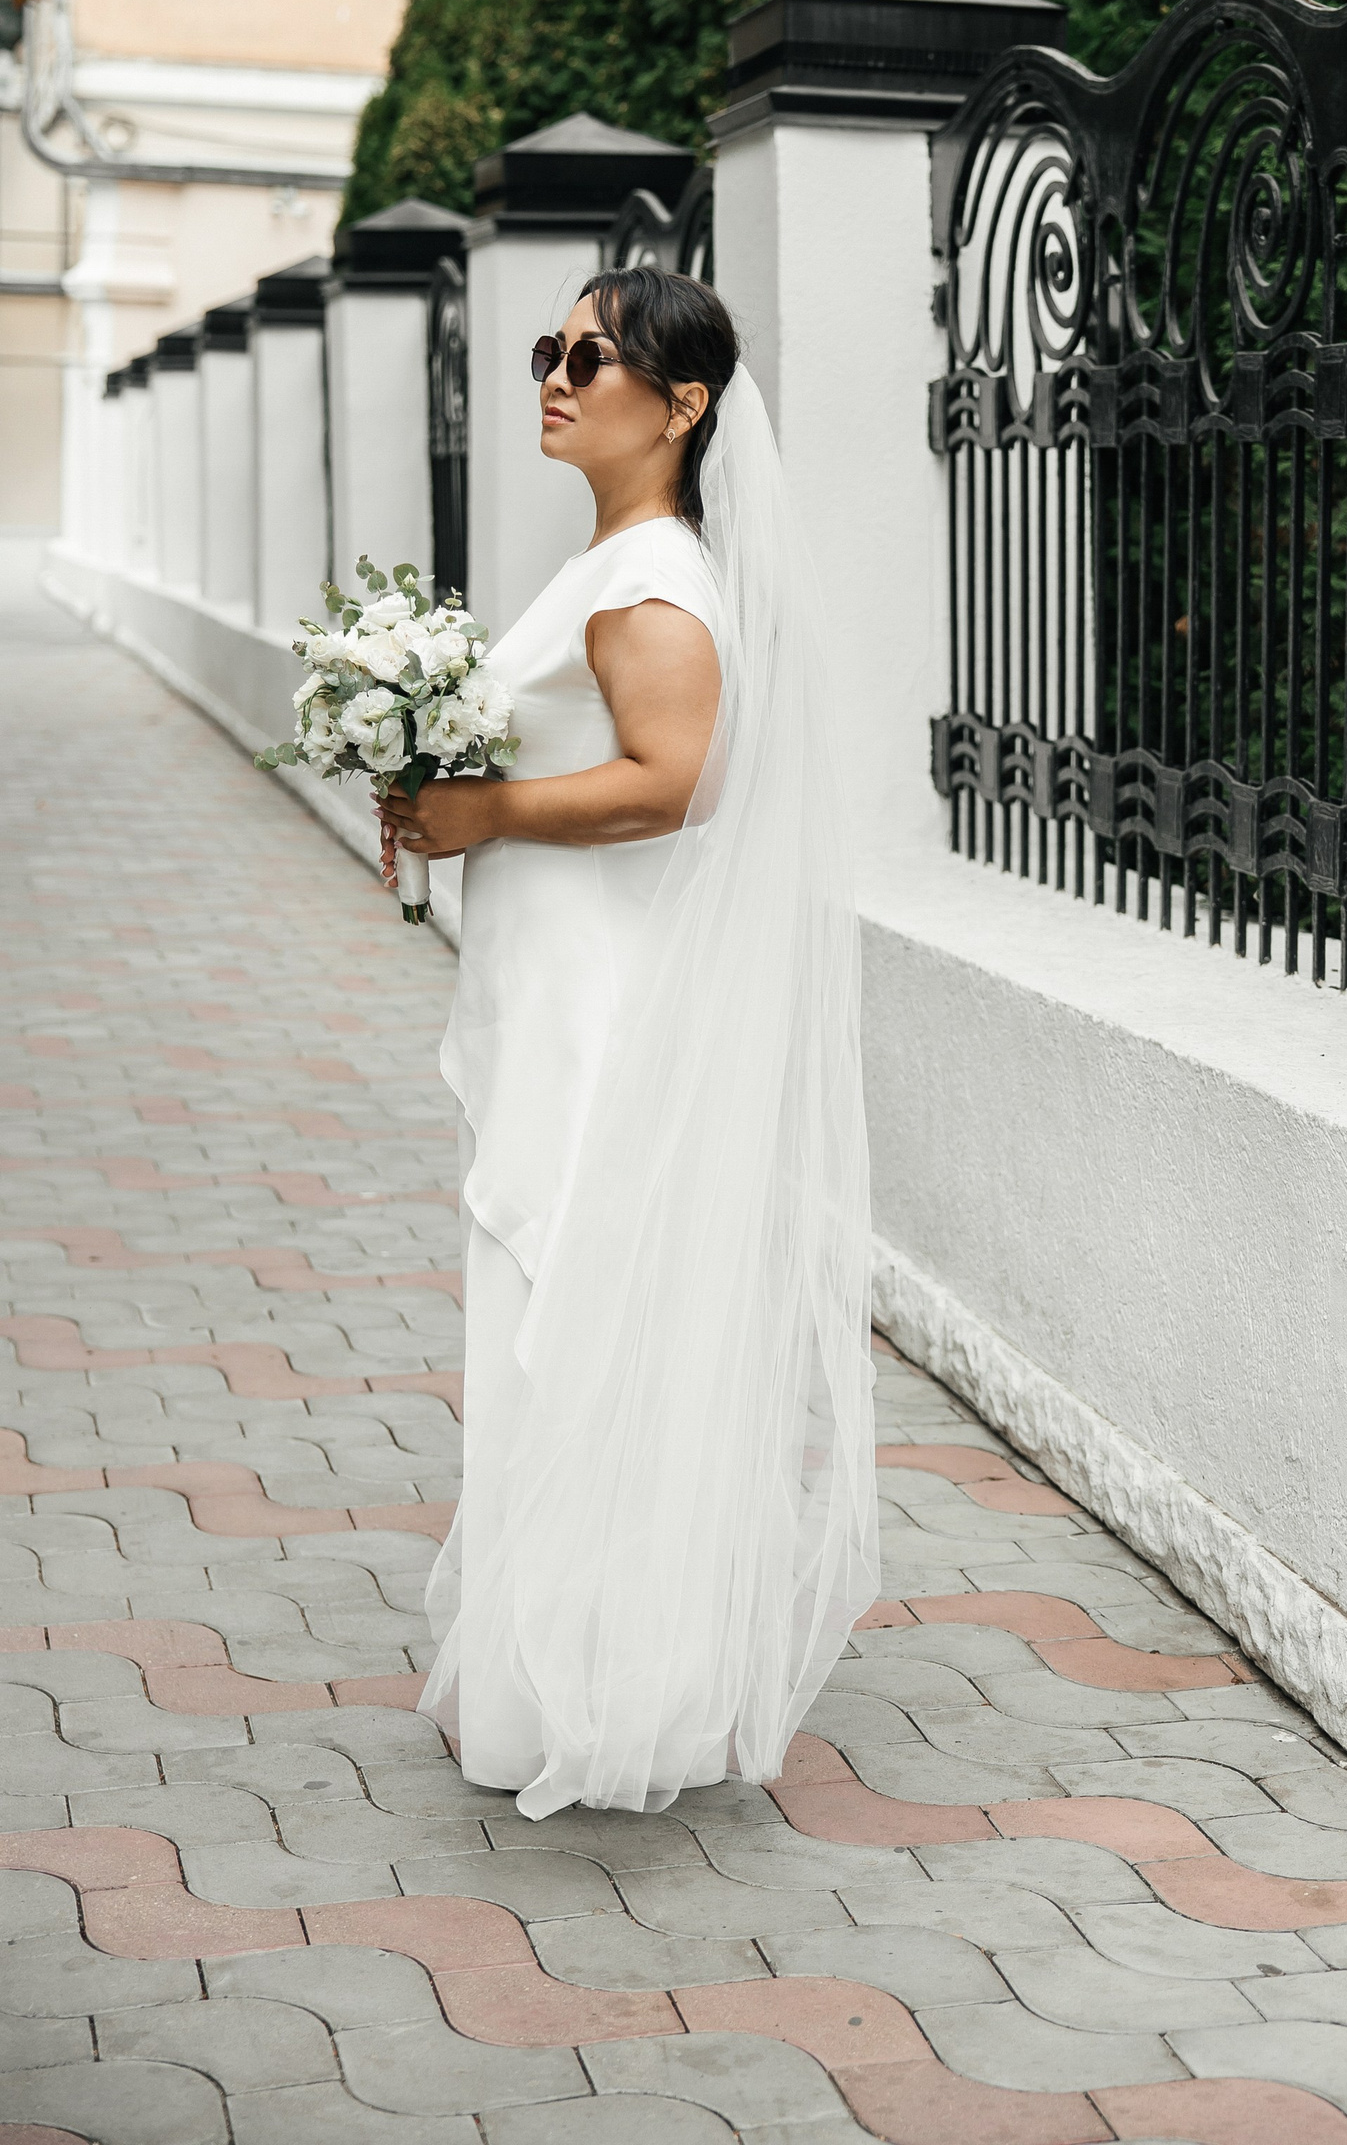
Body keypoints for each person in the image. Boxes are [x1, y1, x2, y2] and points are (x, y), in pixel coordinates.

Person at [379, 268, 879, 1818]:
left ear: (682, 405)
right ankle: (558, 1681)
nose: (556, 372)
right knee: (562, 1331)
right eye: (553, 347)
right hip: (558, 1001)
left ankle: (605, 1696)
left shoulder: (654, 579)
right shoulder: (611, 560)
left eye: (590, 356)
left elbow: (675, 781)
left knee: (585, 1330)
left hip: (604, 1025)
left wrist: (486, 811)